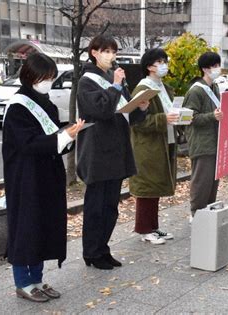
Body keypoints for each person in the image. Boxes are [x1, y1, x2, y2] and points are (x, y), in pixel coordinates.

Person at [2, 53, 85, 302]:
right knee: (25, 227)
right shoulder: (18, 106)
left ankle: (37, 280)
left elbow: (54, 137)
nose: (47, 82)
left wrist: (68, 136)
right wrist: (62, 138)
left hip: (47, 175)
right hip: (25, 178)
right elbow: (27, 144)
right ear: (29, 76)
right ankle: (23, 282)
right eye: (43, 77)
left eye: (50, 77)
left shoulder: (46, 103)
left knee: (43, 226)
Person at [77, 34, 149, 269]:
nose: (111, 56)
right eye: (105, 51)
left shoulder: (114, 78)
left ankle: (103, 248)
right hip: (98, 151)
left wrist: (141, 108)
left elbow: (125, 112)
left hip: (117, 150)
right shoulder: (87, 81)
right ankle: (92, 252)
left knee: (110, 206)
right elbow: (100, 110)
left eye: (113, 51)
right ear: (94, 53)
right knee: (96, 206)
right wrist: (116, 86)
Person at [130, 48, 178, 244]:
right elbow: (138, 121)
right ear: (149, 66)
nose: (164, 65)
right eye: (160, 61)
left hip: (162, 141)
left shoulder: (162, 87)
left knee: (155, 187)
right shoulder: (144, 89)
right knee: (147, 188)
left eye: (165, 61)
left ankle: (153, 227)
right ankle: (144, 229)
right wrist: (163, 119)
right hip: (148, 146)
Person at [182, 51, 223, 220]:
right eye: (214, 66)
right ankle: (196, 212)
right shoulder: (196, 91)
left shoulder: (215, 87)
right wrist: (212, 116)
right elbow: (189, 117)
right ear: (205, 69)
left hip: (215, 141)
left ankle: (206, 211)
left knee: (213, 181)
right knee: (202, 180)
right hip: (202, 142)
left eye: (218, 65)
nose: (217, 69)